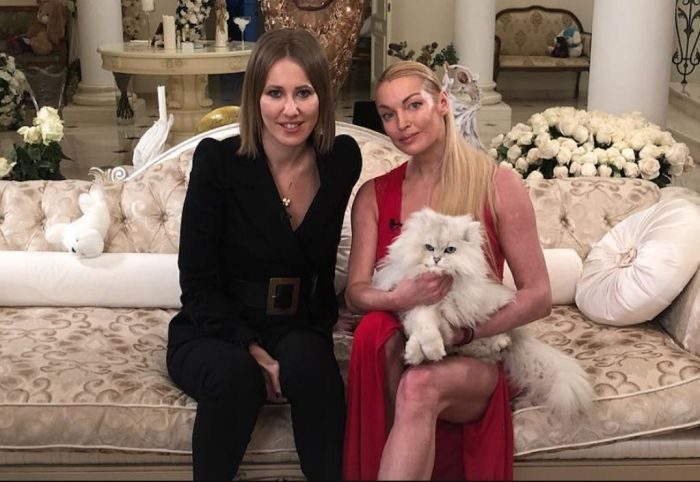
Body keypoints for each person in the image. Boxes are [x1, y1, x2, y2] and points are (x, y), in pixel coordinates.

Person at [166, 28, 361, 481]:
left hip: (296, 325)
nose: (290, 110)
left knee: (313, 368)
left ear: (322, 97)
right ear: (254, 98)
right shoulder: (218, 162)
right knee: (237, 377)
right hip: (215, 326)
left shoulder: (340, 160)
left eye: (303, 93)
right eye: (275, 93)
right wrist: (248, 345)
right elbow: (196, 281)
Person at [343, 60, 552, 480]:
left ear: (442, 102)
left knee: (419, 385)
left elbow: (539, 296)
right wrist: (400, 298)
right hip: (398, 348)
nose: (402, 123)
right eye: (388, 114)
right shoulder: (373, 196)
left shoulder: (497, 184)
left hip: (473, 353)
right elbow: (356, 292)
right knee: (379, 337)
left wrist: (464, 334)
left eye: (413, 105)